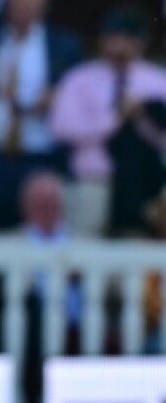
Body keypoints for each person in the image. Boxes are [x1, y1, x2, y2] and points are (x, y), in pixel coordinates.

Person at [51, 6, 166, 237]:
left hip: (143, 184)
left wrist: (142, 116)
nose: (119, 44)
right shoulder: (80, 78)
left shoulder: (157, 81)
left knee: (136, 248)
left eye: (127, 37)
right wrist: (114, 119)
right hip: (95, 179)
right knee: (86, 249)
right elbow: (62, 127)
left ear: (141, 42)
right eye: (113, 37)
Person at [0, 0, 82, 230]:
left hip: (42, 156)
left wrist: (57, 98)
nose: (24, 8)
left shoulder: (64, 46)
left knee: (42, 231)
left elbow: (79, 93)